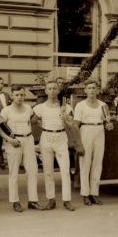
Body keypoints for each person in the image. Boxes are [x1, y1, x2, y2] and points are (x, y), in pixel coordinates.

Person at [32, 81, 84, 211]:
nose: (52, 91)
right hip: (46, 138)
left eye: (55, 88)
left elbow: (71, 125)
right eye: (49, 88)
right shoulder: (40, 107)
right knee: (48, 171)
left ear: (59, 90)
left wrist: (66, 121)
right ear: (46, 91)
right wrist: (43, 126)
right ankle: (51, 200)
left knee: (65, 170)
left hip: (61, 138)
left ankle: (66, 200)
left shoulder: (65, 107)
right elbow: (32, 121)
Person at [0, 84, 44, 212]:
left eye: (22, 95)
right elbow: (0, 129)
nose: (19, 97)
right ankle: (15, 201)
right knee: (14, 174)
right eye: (17, 95)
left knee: (33, 171)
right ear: (12, 96)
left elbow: (34, 122)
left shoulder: (28, 108)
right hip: (14, 141)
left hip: (28, 140)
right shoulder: (6, 111)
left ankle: (33, 201)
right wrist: (10, 140)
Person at [73, 81, 109, 206]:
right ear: (85, 90)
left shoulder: (103, 105)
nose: (92, 90)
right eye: (89, 88)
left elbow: (107, 122)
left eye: (94, 88)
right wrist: (79, 143)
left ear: (98, 90)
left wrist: (109, 125)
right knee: (85, 165)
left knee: (97, 164)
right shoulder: (80, 105)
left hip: (99, 132)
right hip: (86, 132)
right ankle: (85, 195)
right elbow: (75, 125)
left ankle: (94, 194)